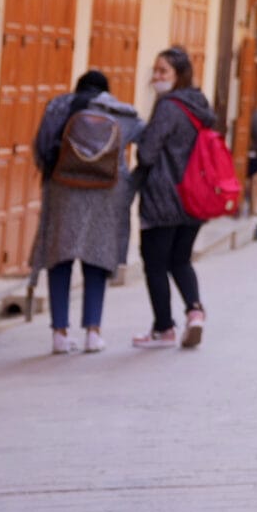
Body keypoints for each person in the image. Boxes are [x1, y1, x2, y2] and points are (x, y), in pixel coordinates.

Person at [28, 70, 143, 354]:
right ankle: (93, 332)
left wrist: (53, 174)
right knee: (97, 259)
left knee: (59, 259)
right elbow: (149, 142)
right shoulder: (121, 112)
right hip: (105, 194)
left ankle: (59, 333)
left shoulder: (58, 106)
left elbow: (41, 147)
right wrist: (129, 180)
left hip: (63, 190)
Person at [132, 46, 215, 349]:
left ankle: (163, 328)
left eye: (162, 71)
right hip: (195, 197)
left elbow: (147, 152)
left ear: (178, 75)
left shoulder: (168, 107)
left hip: (163, 198)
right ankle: (195, 311)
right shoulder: (199, 105)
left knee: (154, 262)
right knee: (180, 259)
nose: (156, 77)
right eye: (155, 71)